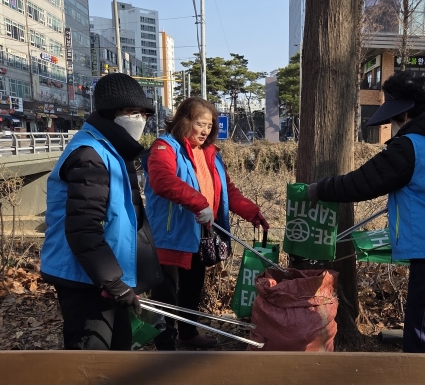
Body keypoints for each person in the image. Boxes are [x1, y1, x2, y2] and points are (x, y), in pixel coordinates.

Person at [308, 72, 425, 354]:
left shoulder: (411, 146)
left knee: (422, 336)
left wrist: (318, 190)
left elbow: (362, 182)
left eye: (394, 118)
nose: (393, 125)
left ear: (405, 112)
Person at [40, 72, 163, 350]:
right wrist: (111, 280)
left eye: (144, 113)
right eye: (132, 112)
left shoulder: (111, 149)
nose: (140, 120)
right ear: (111, 112)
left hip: (103, 275)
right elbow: (84, 227)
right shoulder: (91, 154)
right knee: (91, 357)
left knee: (117, 349)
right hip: (85, 277)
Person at [144, 97, 269, 350]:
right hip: (170, 234)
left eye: (210, 126)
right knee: (166, 295)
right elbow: (163, 180)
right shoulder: (164, 148)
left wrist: (252, 212)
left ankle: (188, 336)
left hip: (200, 234)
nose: (205, 131)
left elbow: (226, 192)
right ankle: (164, 346)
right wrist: (200, 203)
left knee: (192, 290)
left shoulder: (210, 154)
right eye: (200, 124)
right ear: (184, 121)